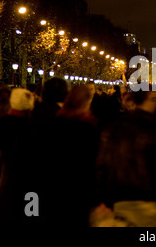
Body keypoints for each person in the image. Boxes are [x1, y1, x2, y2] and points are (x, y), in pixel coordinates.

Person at [95, 89, 156, 227]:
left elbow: (101, 166)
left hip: (118, 203)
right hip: (149, 203)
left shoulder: (112, 129)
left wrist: (100, 200)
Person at [37, 85, 99, 227]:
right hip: (79, 188)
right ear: (86, 102)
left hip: (54, 185)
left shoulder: (54, 123)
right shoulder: (88, 128)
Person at [0, 88, 36, 226]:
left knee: (5, 196)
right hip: (30, 169)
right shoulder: (33, 124)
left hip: (9, 166)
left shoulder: (2, 122)